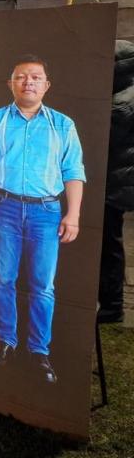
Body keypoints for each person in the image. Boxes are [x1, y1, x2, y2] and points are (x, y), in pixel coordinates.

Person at [0, 56, 85, 384]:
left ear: (46, 85)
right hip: (3, 207)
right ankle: (6, 340)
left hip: (46, 212)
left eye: (35, 77)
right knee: (3, 278)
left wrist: (74, 214)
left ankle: (39, 350)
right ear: (11, 84)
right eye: (21, 77)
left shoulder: (62, 125)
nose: (28, 82)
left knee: (42, 284)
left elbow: (73, 170)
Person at [99, 40, 134, 323]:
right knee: (107, 241)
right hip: (115, 179)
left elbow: (106, 140)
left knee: (109, 244)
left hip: (113, 181)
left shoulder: (120, 101)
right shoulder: (122, 94)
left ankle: (112, 305)